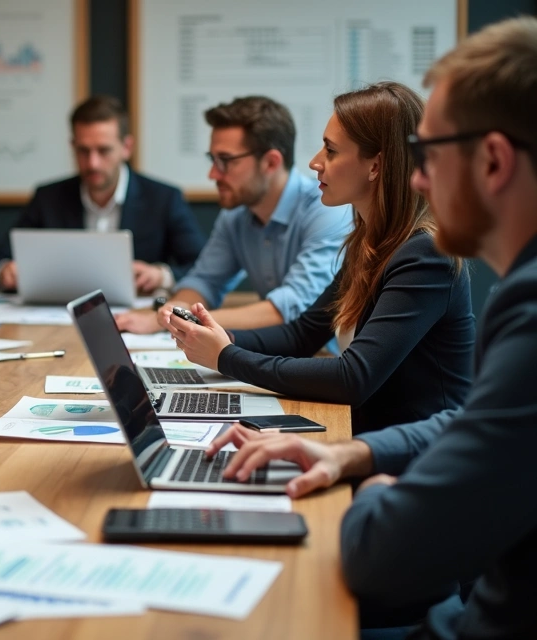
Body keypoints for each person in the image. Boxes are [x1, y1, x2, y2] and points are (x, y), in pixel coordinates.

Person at [201, 17, 537, 638]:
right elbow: (469, 420)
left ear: (491, 161)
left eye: (430, 155)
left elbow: (379, 549)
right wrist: (353, 452)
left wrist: (373, 486)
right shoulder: (513, 290)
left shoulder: (506, 296)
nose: (418, 178)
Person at [162, 82, 473, 436]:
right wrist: (220, 338)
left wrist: (226, 357)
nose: (315, 163)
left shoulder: (425, 255)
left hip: (420, 460)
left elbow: (352, 377)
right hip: (368, 439)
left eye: (331, 150)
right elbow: (302, 334)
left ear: (376, 166)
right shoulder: (368, 244)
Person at [118, 96, 353, 334]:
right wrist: (173, 311)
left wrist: (189, 319)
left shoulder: (326, 209)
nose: (213, 174)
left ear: (271, 163)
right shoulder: (236, 215)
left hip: (328, 358)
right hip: (277, 354)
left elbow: (292, 307)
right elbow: (204, 281)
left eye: (225, 161)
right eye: (213, 159)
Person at [0, 95, 206, 294]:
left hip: (136, 319)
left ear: (126, 147)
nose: (93, 163)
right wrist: (5, 271)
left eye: (104, 150)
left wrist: (161, 275)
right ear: (72, 146)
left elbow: (203, 265)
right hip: (59, 316)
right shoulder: (49, 198)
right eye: (83, 151)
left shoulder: (163, 198)